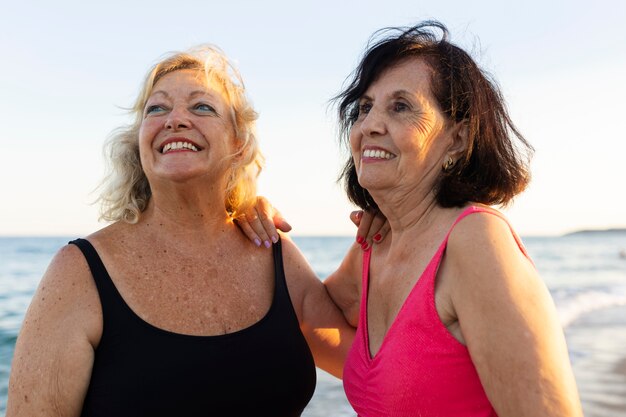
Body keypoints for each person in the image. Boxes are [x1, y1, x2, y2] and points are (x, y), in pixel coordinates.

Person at [6, 45, 356, 417]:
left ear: (238, 143)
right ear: (139, 141)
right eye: (156, 108)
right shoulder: (79, 272)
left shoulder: (274, 252)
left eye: (201, 106)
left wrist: (384, 230)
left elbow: (365, 367)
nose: (174, 119)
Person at [324, 21, 584, 416]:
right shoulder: (374, 248)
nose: (370, 125)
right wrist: (242, 214)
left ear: (458, 139)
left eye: (401, 106)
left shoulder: (475, 240)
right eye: (364, 107)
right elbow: (307, 315)